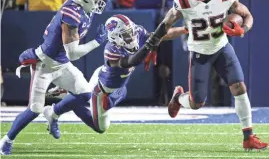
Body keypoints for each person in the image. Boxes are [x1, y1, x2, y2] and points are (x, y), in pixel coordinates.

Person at [146, 0, 269, 150]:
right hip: (199, 52)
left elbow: (247, 16)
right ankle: (178, 98)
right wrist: (152, 45)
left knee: (239, 87)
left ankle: (248, 137)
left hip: (221, 47)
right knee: (197, 103)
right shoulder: (184, 0)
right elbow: (165, 23)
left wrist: (242, 30)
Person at [0, 0, 107, 155]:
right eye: (96, 0)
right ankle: (6, 140)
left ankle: (53, 113)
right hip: (45, 65)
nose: (98, 4)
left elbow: (68, 55)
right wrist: (98, 41)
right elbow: (73, 53)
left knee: (84, 94)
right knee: (34, 109)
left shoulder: (83, 9)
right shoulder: (72, 13)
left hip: (63, 64)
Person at [43, 14, 187, 134]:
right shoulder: (111, 50)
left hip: (115, 83)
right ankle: (71, 97)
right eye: (126, 34)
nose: (131, 36)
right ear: (115, 37)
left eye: (130, 31)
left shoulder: (137, 32)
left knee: (121, 91)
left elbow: (163, 35)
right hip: (102, 91)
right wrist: (149, 45)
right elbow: (132, 61)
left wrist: (185, 29)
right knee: (100, 128)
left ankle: (73, 94)